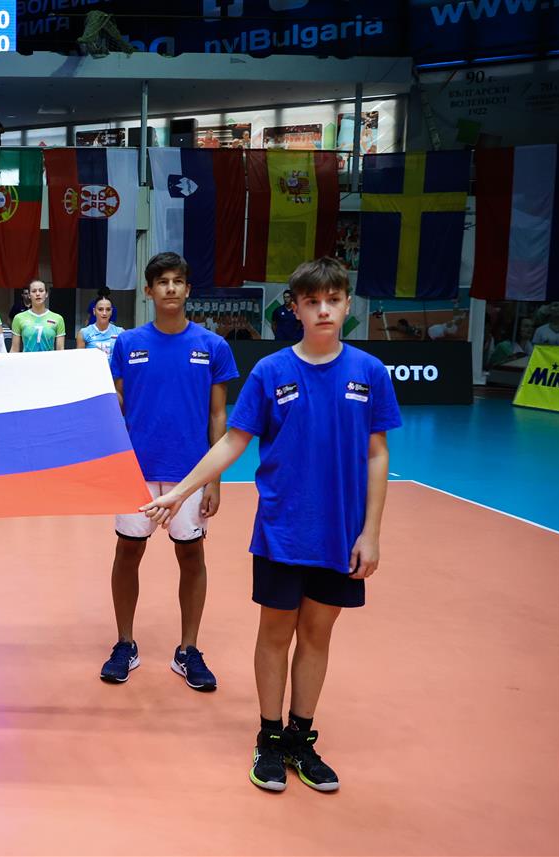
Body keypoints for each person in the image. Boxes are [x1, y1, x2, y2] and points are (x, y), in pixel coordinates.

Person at [143, 257, 401, 793]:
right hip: (283, 530)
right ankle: (269, 737)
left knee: (317, 635)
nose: (323, 309)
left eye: (333, 300)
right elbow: (233, 441)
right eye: (312, 301)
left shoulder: (370, 372)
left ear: (347, 305)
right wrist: (182, 491)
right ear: (296, 309)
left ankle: (301, 739)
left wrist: (371, 532)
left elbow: (377, 454)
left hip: (340, 535)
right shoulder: (271, 371)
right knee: (276, 633)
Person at [102, 253, 237, 693]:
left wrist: (214, 479)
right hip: (135, 472)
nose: (171, 288)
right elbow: (114, 407)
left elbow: (218, 417)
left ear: (188, 289)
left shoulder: (212, 346)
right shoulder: (127, 344)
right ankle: (125, 644)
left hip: (190, 474)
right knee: (128, 552)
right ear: (149, 290)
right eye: (162, 282)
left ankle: (188, 650)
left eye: (178, 281)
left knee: (191, 556)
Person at [10, 280, 65, 353]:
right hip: (27, 360)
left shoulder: (58, 318)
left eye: (41, 291)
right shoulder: (19, 318)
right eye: (34, 291)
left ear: (46, 294)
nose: (38, 294)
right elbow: (14, 349)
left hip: (49, 360)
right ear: (29, 295)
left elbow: (60, 350)